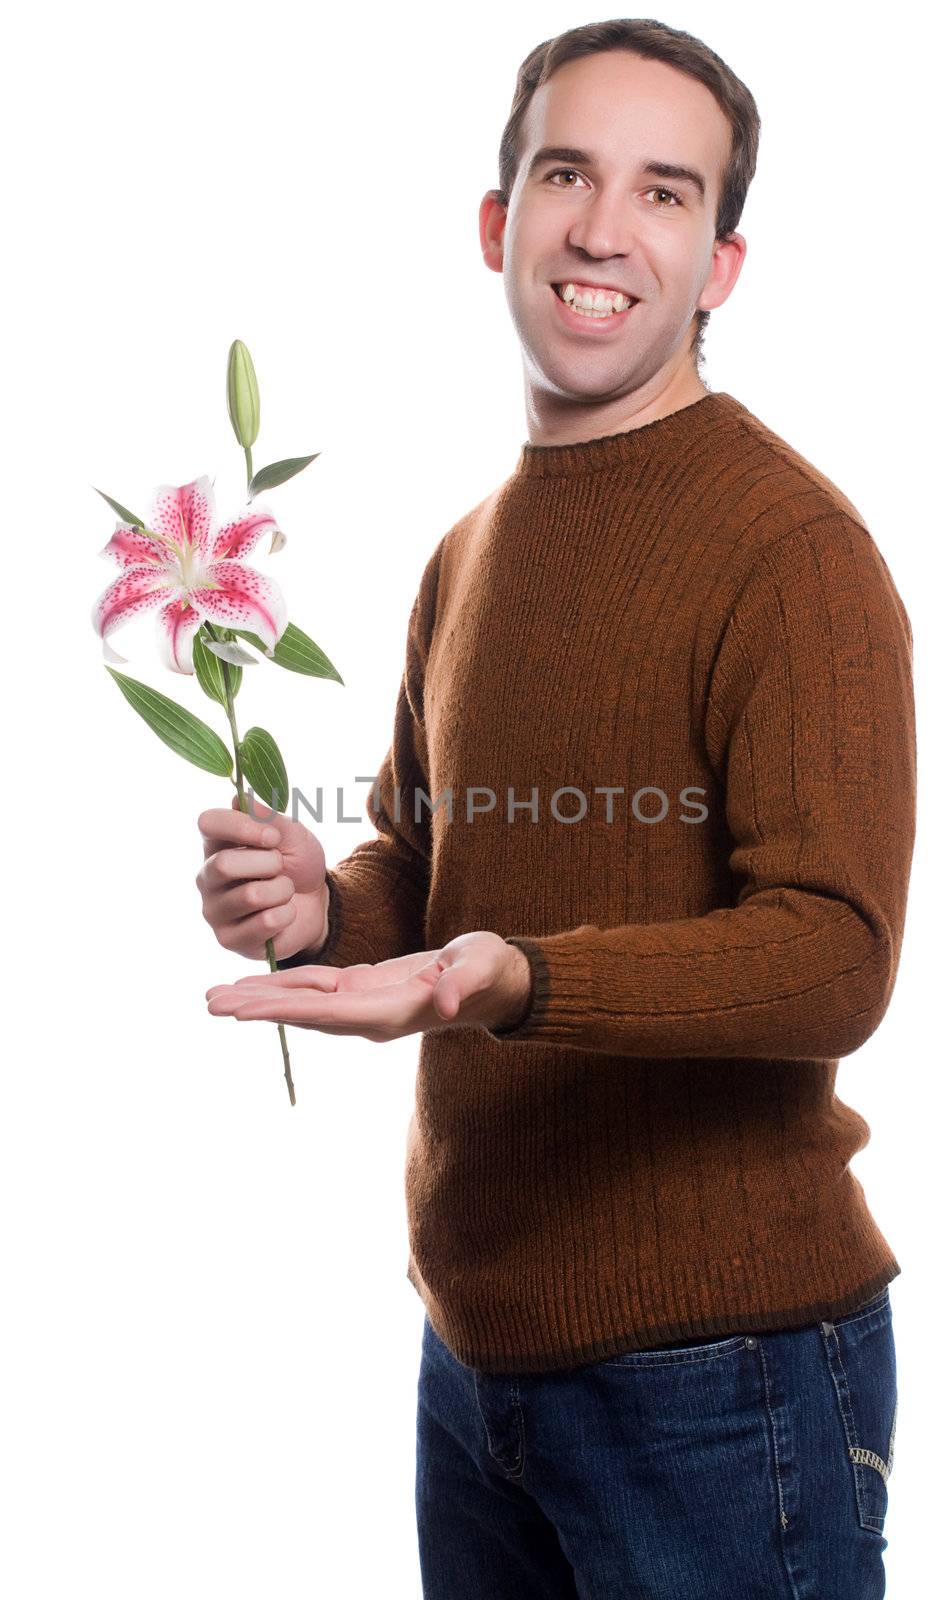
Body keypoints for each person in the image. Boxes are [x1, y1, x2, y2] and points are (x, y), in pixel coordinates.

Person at [196, 18, 914, 1598]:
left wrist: (523, 977)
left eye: (666, 195)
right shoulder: (467, 552)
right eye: (567, 174)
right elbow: (424, 867)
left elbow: (832, 956)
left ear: (721, 266)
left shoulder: (791, 552)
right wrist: (325, 906)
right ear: (496, 221)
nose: (602, 229)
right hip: (475, 1359)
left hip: (721, 1390)